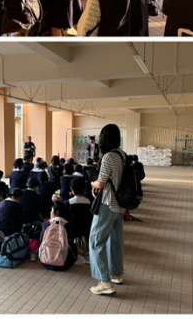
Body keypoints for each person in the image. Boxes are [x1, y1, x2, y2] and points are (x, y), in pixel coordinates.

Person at [89, 124, 127, 296]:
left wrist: (92, 183)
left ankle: (104, 282)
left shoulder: (108, 157)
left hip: (107, 204)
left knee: (96, 241)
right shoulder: (122, 154)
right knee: (115, 240)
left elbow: (101, 183)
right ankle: (116, 274)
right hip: (120, 204)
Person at [40, 200, 77, 271]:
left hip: (46, 261)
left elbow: (41, 240)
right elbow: (71, 240)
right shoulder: (68, 225)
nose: (50, 212)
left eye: (51, 210)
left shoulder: (45, 224)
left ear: (57, 212)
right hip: (63, 263)